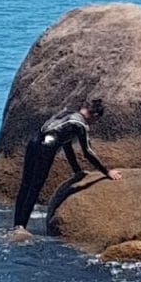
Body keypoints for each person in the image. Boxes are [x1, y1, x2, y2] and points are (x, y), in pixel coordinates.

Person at [11, 98, 122, 236]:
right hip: (46, 148)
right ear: (95, 115)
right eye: (97, 120)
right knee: (34, 187)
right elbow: (88, 152)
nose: (95, 123)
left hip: (33, 143)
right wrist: (107, 171)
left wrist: (77, 172)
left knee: (25, 184)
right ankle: (21, 227)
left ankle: (17, 225)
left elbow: (66, 145)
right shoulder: (80, 125)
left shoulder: (66, 113)